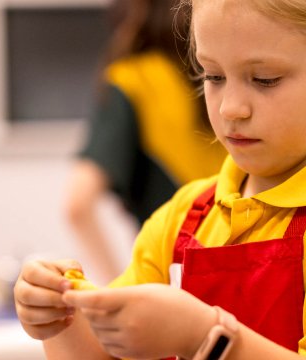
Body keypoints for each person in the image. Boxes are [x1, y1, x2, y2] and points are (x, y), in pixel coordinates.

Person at [17, 0, 306, 358]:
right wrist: (60, 319)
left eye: (264, 79)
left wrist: (208, 339)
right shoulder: (183, 219)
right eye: (213, 76)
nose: (231, 107)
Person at [66, 0, 227, 279]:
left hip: (168, 278)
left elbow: (77, 204)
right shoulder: (220, 76)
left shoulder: (133, 81)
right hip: (243, 274)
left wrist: (117, 290)